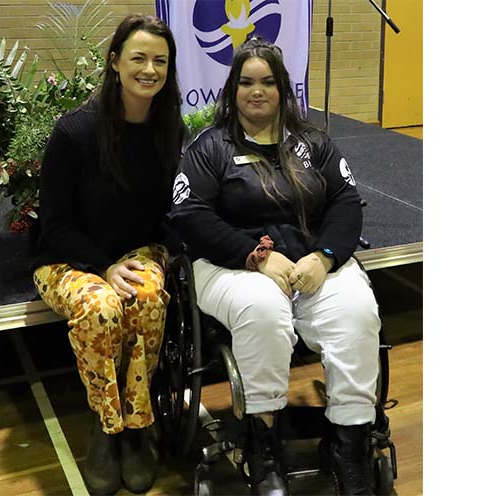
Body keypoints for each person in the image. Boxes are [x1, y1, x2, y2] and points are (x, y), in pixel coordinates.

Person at [170, 37, 381, 496]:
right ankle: (263, 447)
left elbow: (346, 203)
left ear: (283, 89)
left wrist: (325, 256)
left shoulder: (314, 144)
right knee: (263, 310)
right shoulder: (210, 148)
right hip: (231, 266)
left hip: (310, 263)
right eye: (246, 82)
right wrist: (256, 256)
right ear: (233, 89)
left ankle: (350, 448)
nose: (257, 91)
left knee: (356, 312)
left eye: (267, 82)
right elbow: (190, 216)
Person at [31, 13, 185, 496]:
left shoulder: (168, 127)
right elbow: (54, 223)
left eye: (160, 61)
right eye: (138, 58)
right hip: (68, 257)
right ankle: (105, 425)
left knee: (149, 297)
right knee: (100, 306)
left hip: (135, 250)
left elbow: (165, 209)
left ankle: (137, 425)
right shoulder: (75, 132)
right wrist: (104, 265)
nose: (149, 69)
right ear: (115, 61)